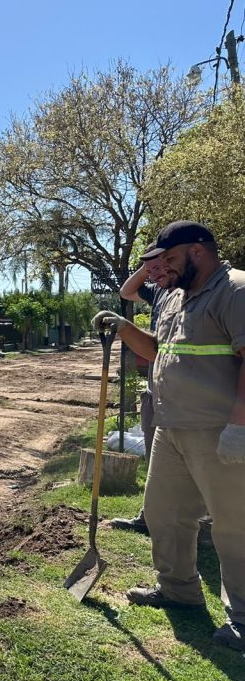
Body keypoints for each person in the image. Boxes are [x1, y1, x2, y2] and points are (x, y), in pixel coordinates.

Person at [93, 220, 245, 651]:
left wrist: (239, 427)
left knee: (235, 527)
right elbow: (160, 351)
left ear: (197, 251)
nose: (164, 270)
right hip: (172, 426)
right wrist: (123, 329)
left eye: (170, 259)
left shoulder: (235, 291)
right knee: (164, 514)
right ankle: (179, 590)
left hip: (217, 432)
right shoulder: (179, 295)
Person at [109, 243, 172, 533]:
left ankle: (203, 524)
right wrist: (147, 266)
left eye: (160, 265)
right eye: (150, 269)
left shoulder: (185, 291)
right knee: (154, 457)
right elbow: (126, 291)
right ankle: (149, 516)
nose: (155, 272)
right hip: (153, 389)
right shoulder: (157, 290)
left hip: (181, 393)